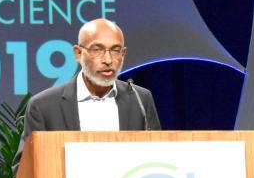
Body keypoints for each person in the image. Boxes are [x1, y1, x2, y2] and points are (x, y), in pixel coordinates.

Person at [23, 18, 160, 134]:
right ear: (78, 53)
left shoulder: (141, 100)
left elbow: (157, 155)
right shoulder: (44, 106)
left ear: (123, 53)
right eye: (97, 50)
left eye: (115, 50)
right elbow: (26, 164)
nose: (108, 60)